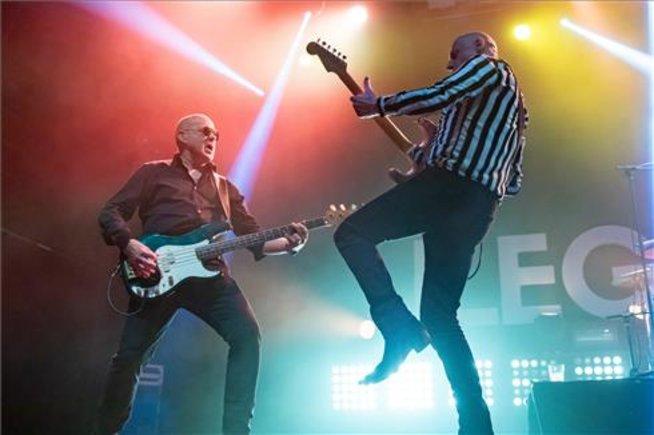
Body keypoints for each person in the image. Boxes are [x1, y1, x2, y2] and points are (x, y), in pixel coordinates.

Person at [333, 32, 527, 434]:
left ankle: (398, 326)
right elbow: (511, 182)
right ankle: (476, 426)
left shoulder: (491, 70)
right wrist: (424, 159)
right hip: (473, 204)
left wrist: (379, 105)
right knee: (440, 317)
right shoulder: (509, 111)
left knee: (352, 234)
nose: (450, 62)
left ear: (481, 50)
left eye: (455, 54)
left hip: (451, 189)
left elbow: (443, 91)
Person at [96, 113, 308, 435]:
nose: (214, 139)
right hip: (156, 272)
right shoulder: (153, 174)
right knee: (128, 358)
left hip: (210, 275)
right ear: (182, 135)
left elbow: (256, 239)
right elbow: (110, 211)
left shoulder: (225, 188)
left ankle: (236, 431)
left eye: (217, 136)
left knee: (247, 337)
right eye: (207, 132)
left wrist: (290, 244)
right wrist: (129, 245)